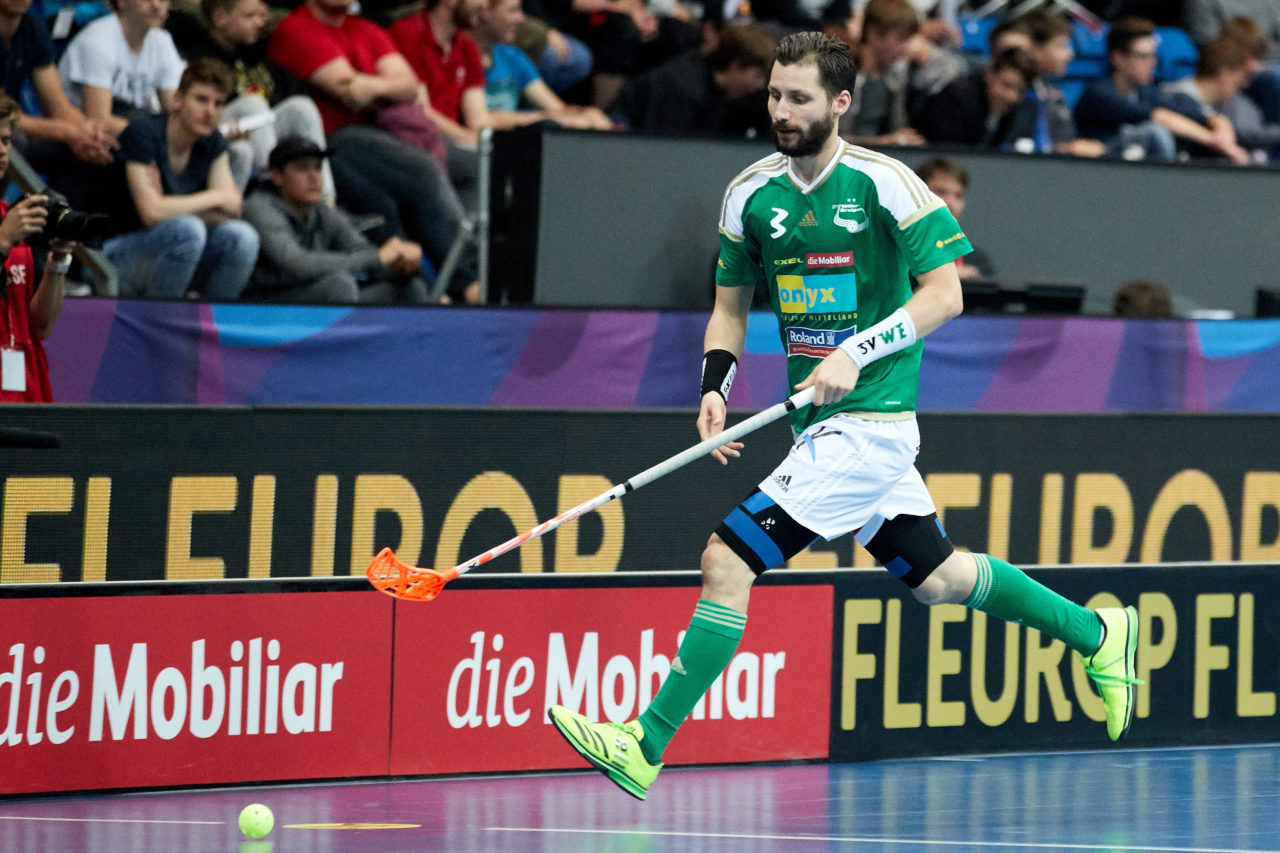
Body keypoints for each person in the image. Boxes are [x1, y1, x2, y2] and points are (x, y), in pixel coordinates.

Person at [547, 31, 1140, 801]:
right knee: (938, 576)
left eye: (798, 97)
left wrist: (860, 351)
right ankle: (1100, 633)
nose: (781, 111)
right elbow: (729, 308)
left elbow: (945, 292)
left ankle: (644, 740)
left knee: (728, 561)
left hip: (871, 424)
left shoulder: (885, 184)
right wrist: (715, 386)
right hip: (816, 422)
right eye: (773, 95)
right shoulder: (750, 195)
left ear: (840, 102)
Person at [267, 0, 482, 303]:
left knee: (468, 167)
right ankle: (463, 283)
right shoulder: (297, 27)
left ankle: (457, 277)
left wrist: (368, 87)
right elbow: (345, 88)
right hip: (329, 141)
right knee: (417, 173)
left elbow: (410, 88)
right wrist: (382, 87)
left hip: (375, 135)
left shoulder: (367, 29)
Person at [99, 57, 259, 299]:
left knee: (243, 238)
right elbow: (151, 213)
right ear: (177, 99)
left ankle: (212, 325)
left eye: (218, 104)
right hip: (113, 254)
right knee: (188, 229)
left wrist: (169, 207)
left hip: (173, 249)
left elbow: (232, 209)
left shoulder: (212, 140)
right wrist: (214, 197)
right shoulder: (143, 133)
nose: (210, 112)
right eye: (201, 99)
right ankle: (164, 323)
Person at [167, 0, 337, 199]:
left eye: (261, 16)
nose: (260, 23)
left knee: (301, 107)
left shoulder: (254, 54)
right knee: (252, 104)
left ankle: (325, 200)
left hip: (259, 132)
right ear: (220, 17)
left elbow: (291, 91)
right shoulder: (199, 56)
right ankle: (276, 189)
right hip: (217, 131)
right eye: (249, 16)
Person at [242, 136, 428, 303]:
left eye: (318, 167)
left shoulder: (322, 211)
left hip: (312, 298)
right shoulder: (259, 208)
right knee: (339, 285)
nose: (314, 177)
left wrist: (398, 264)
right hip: (265, 308)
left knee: (411, 289)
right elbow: (298, 264)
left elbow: (362, 251)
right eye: (302, 168)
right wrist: (380, 258)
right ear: (277, 176)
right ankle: (344, 341)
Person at [1073, 16, 1240, 161]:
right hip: (1099, 171)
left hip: (1133, 175)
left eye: (1153, 55)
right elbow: (1158, 116)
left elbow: (1189, 112)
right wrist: (1216, 141)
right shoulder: (1099, 94)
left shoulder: (1146, 92)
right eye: (1143, 56)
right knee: (1156, 133)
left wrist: (1219, 123)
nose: (1152, 63)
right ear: (1118, 58)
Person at [0, 93, 77, 403]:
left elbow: (41, 326)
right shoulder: (12, 227)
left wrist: (59, 260)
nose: (2, 150)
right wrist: (3, 241)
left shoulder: (15, 216)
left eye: (5, 140)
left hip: (25, 386)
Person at [0, 0, 117, 197]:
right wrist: (67, 131)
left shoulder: (32, 26)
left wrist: (88, 133)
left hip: (17, 129)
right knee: (11, 139)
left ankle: (67, 222)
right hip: (11, 131)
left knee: (94, 146)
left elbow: (58, 106)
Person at [609, 23, 775, 135]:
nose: (759, 86)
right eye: (757, 77)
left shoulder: (712, 79)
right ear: (735, 66)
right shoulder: (684, 89)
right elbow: (667, 151)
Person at [470, 0, 613, 129]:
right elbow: (478, 118)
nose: (520, 19)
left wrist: (585, 114)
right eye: (512, 10)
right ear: (484, 13)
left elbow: (556, 108)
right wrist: (545, 118)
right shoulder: (463, 57)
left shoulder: (511, 56)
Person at [57, 0, 186, 135]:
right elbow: (98, 121)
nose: (156, 5)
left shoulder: (162, 41)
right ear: (121, 2)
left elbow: (175, 110)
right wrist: (157, 135)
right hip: (83, 140)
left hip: (136, 129)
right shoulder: (97, 40)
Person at [1018, 9, 1106, 157]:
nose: (1070, 54)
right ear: (1036, 50)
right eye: (1061, 46)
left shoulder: (1054, 94)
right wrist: (1068, 150)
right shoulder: (1017, 93)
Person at [916, 46, 1039, 150]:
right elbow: (949, 151)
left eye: (1020, 91)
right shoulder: (957, 97)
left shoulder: (1014, 108)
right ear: (989, 75)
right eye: (1007, 85)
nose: (1012, 97)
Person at [1160, 36, 1254, 163]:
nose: (1240, 88)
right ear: (1224, 75)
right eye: (1238, 82)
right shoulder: (1179, 96)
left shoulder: (1209, 105)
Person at [914, 157, 990, 280]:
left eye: (958, 195)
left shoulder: (978, 262)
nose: (951, 203)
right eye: (941, 192)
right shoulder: (897, 253)